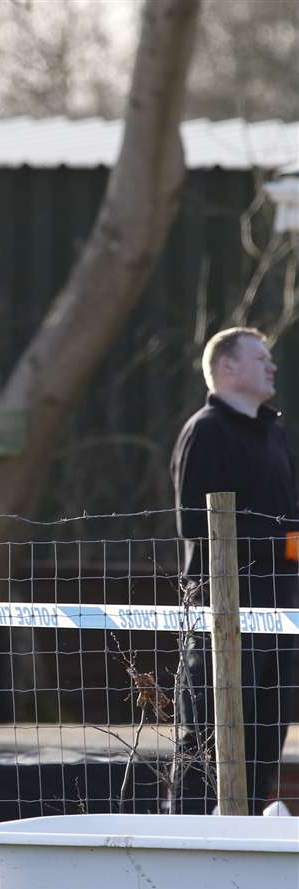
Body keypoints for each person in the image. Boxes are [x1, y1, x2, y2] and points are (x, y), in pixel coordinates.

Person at [171, 326, 296, 816]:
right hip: (222, 621)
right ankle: (192, 846)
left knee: (266, 740)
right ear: (226, 367)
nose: (273, 366)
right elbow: (194, 524)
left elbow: (290, 517)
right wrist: (286, 545)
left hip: (279, 616)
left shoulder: (273, 433)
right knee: (210, 741)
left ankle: (244, 850)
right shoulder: (206, 431)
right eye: (261, 357)